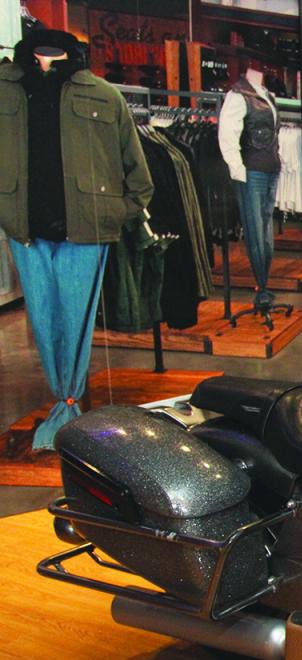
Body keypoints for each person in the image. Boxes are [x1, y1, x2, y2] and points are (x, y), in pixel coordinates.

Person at [0, 29, 153, 449]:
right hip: (24, 227)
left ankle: (68, 405)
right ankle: (63, 404)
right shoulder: (5, 90)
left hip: (84, 228)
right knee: (44, 322)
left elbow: (138, 175)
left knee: (76, 320)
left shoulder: (103, 94)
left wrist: (115, 214)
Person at [218, 63, 283, 315]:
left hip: (270, 168)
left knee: (266, 232)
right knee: (255, 231)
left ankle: (264, 285)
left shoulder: (266, 94)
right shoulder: (238, 95)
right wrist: (238, 170)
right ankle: (262, 289)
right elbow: (228, 136)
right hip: (252, 171)